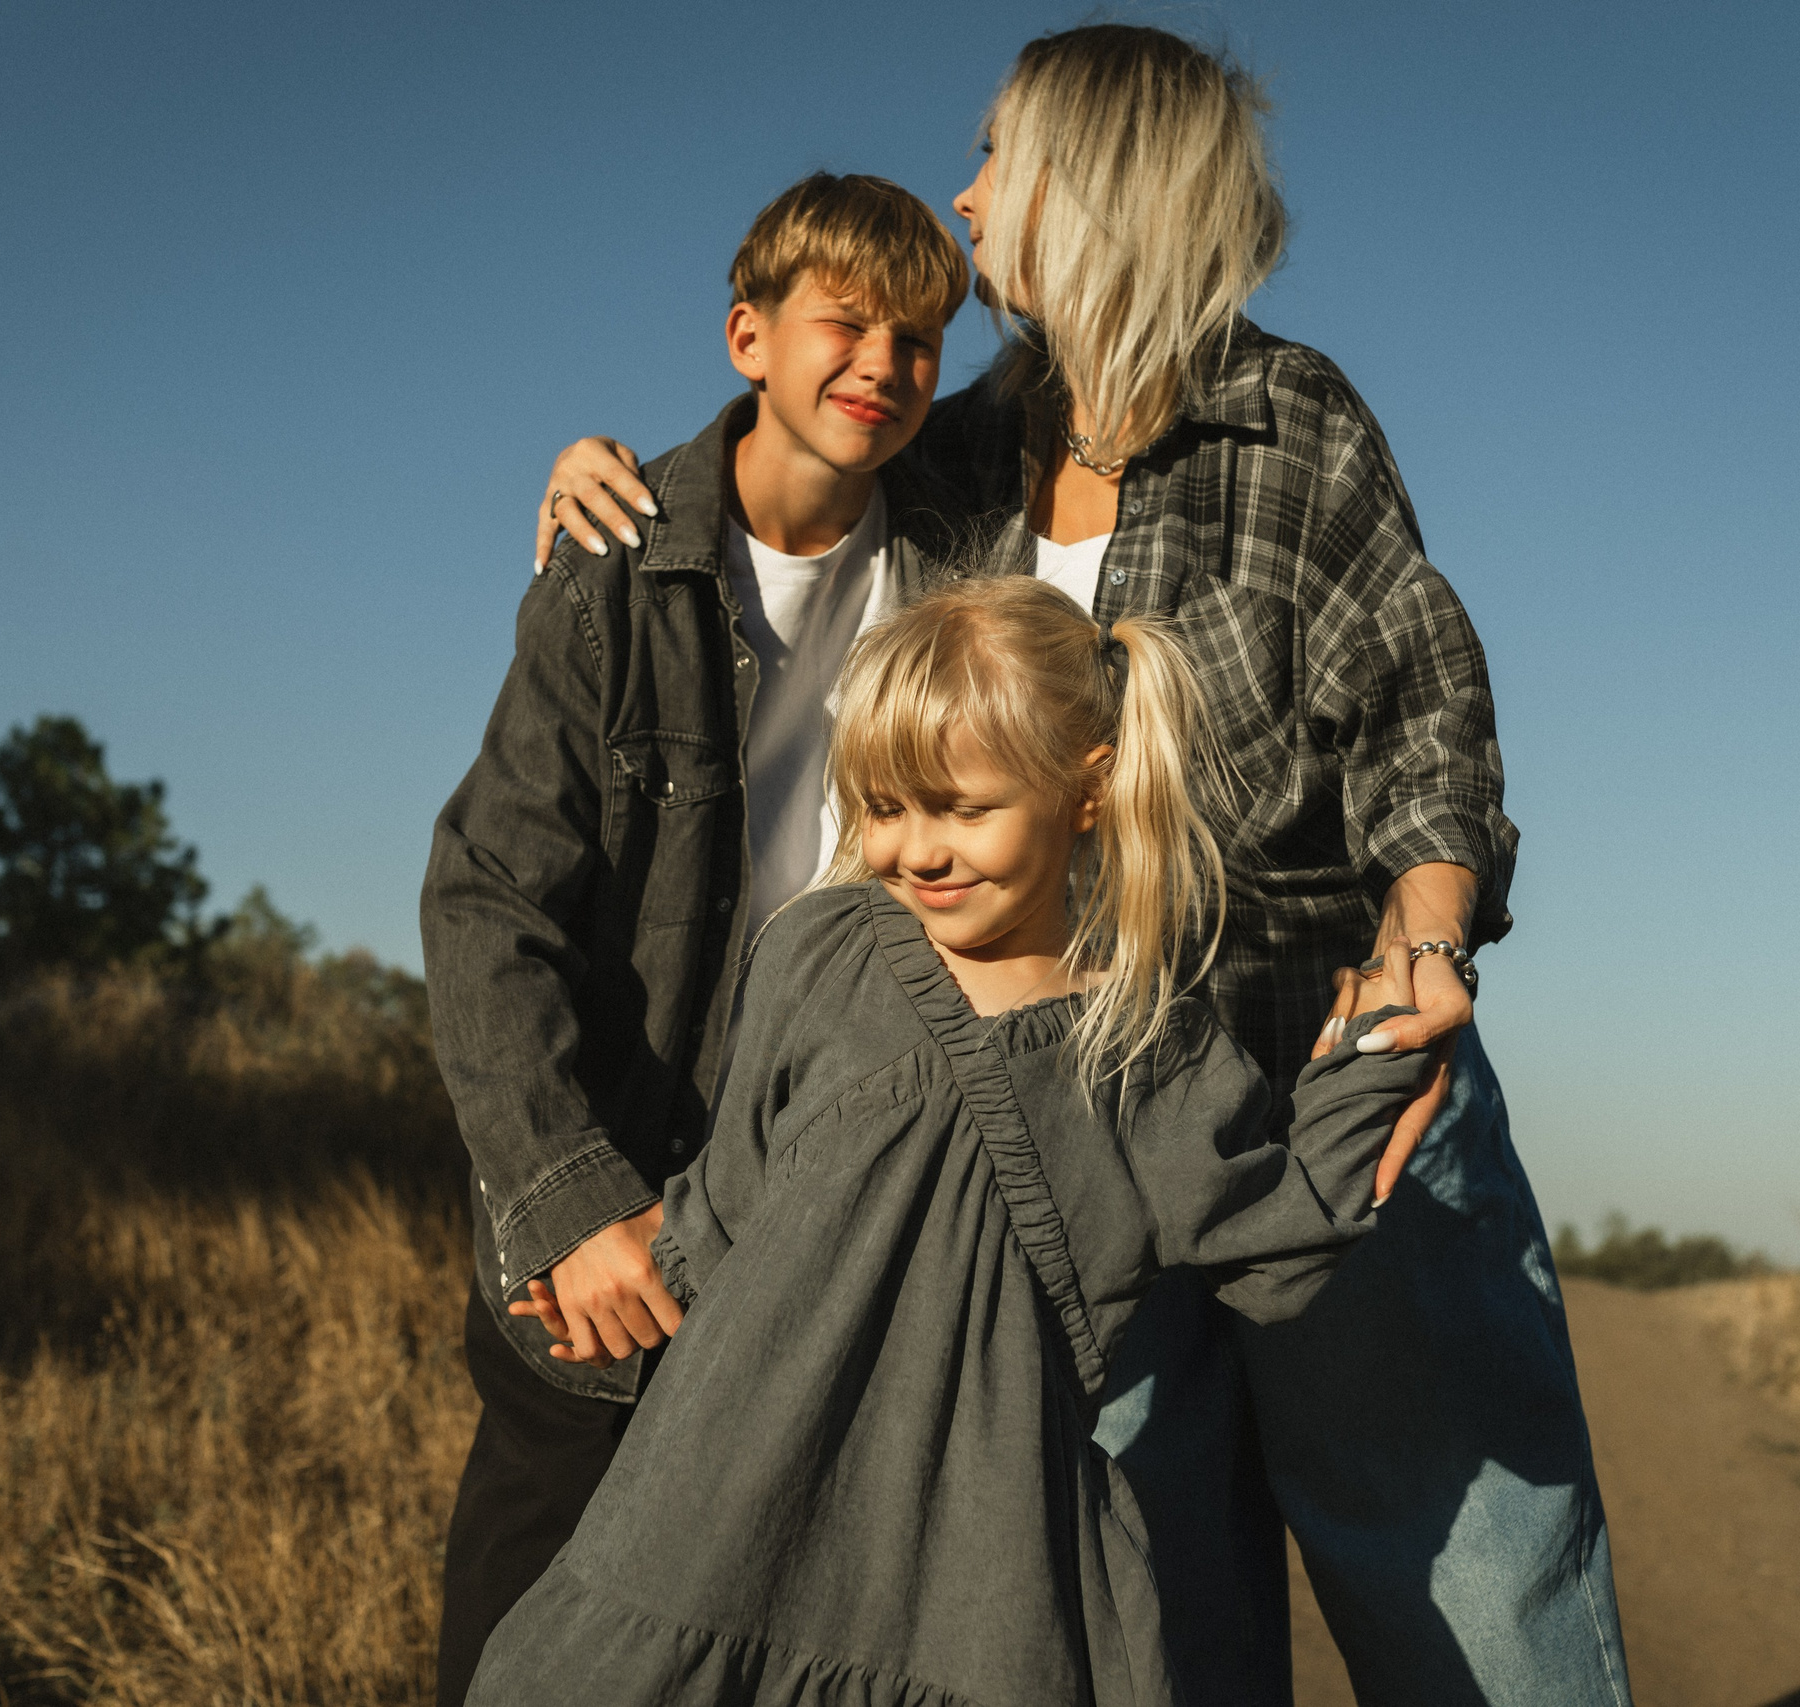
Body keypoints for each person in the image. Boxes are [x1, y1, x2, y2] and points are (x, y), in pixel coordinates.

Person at [533, 25, 1635, 1707]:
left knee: (1477, 1593)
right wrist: (630, 486)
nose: (962, 193)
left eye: (994, 156)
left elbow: (1419, 701)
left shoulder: (1292, 421)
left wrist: (1426, 941)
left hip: (1328, 1069)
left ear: (1096, 186)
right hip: (1078, 1104)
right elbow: (787, 477)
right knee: (1135, 1607)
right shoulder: (958, 454)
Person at [470, 577, 1435, 1707]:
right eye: (882, 808)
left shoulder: (1146, 1049)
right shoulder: (818, 952)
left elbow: (1279, 1244)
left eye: (960, 809)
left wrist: (1378, 1054)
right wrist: (622, 1280)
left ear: (1090, 788)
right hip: (720, 1506)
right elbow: (726, 1199)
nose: (914, 850)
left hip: (977, 1580)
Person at [417, 171, 974, 1707]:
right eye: (843, 323)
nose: (882, 363)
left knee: (770, 1624)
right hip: (611, 1201)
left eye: (920, 340)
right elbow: (484, 901)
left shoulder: (947, 571)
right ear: (748, 335)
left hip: (812, 1195)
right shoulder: (617, 569)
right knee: (536, 1625)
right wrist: (569, 1197)